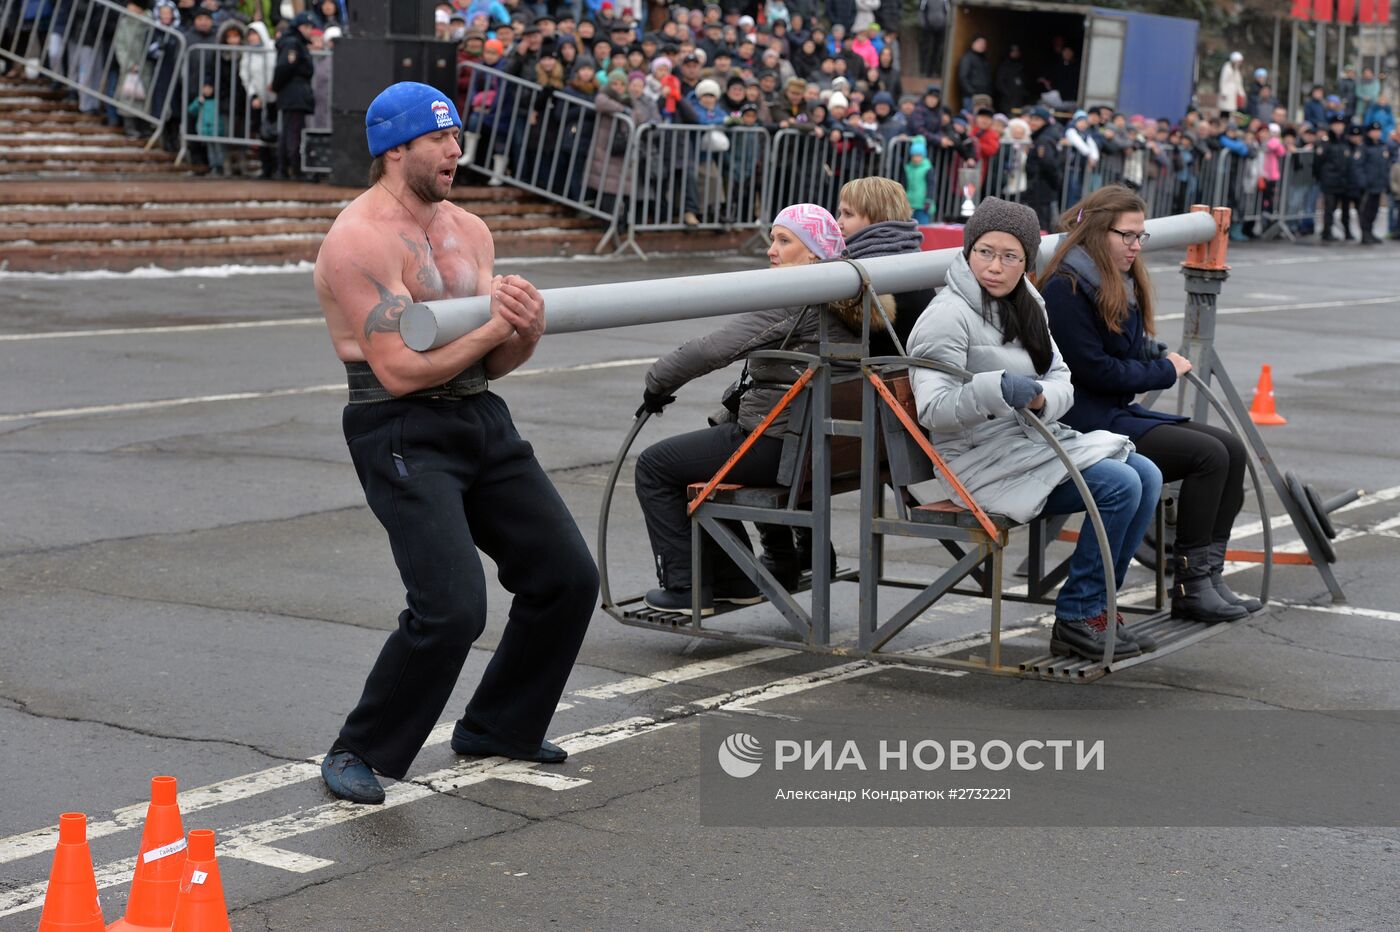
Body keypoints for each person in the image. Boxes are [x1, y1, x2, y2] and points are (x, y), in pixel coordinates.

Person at [311, 82, 598, 805]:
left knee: (565, 576)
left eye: (456, 137)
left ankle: (500, 725)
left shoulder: (469, 231)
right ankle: (360, 748)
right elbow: (401, 370)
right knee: (451, 608)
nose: (454, 151)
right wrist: (498, 328)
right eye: (438, 139)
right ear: (395, 149)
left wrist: (522, 331)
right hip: (399, 425)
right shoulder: (359, 239)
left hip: (478, 412)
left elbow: (490, 358)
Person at [906, 197, 1163, 660]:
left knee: (1147, 473)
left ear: (1025, 261)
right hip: (975, 463)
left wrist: (1042, 398)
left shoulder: (1028, 303)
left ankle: (1098, 605)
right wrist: (998, 389)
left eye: (1010, 256)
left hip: (1025, 446)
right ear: (968, 251)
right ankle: (1078, 614)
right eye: (985, 252)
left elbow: (1061, 378)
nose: (995, 266)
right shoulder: (948, 314)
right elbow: (934, 409)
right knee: (1120, 484)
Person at [633, 204, 866, 614]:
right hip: (820, 446)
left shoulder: (796, 297)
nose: (771, 250)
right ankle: (737, 580)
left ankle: (688, 588)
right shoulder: (847, 294)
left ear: (813, 253)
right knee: (702, 460)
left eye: (784, 240)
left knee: (655, 466)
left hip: (782, 443)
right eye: (771, 239)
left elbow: (712, 349)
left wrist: (657, 383)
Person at [1040, 186, 1258, 625]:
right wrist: (1164, 370)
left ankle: (1207, 577)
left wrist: (1151, 353)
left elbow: (1124, 349)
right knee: (1208, 456)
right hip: (1085, 421)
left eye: (1141, 236)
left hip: (1111, 412)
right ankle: (1189, 586)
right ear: (1099, 232)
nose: (1137, 245)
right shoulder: (1066, 287)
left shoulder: (1110, 279)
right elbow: (1096, 371)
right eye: (1129, 236)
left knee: (1231, 449)